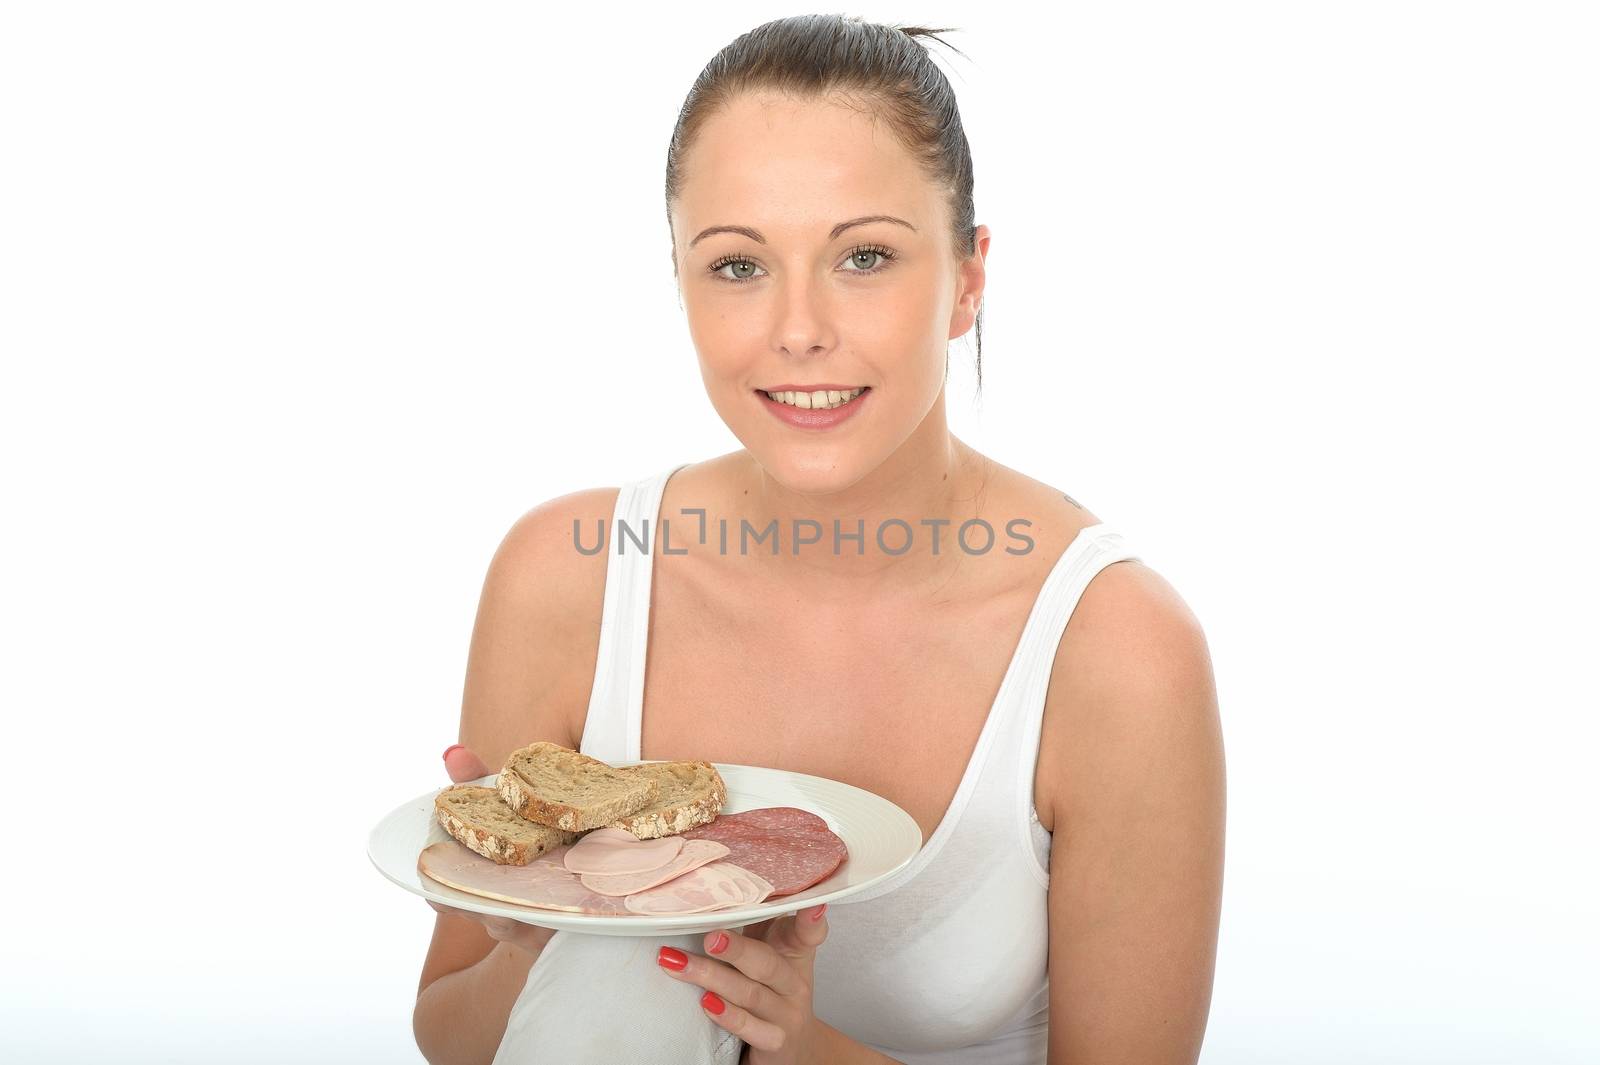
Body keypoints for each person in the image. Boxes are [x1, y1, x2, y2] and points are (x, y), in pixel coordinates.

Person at [412, 14, 1224, 1065]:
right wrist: (544, 936)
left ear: (968, 280)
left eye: (865, 256)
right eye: (738, 267)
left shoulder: (1115, 651)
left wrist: (799, 1048)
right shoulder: (562, 579)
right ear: (678, 281)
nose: (797, 329)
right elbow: (449, 1034)